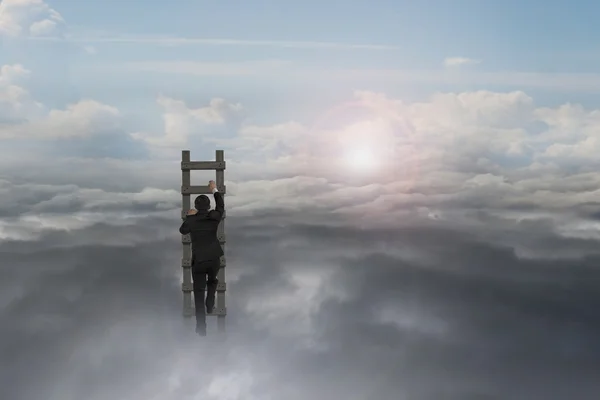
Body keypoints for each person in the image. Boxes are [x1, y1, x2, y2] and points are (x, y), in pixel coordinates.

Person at [179, 180, 224, 336]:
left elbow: (182, 230)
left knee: (198, 294)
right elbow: (220, 206)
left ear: (196, 207)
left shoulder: (192, 220)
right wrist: (214, 190)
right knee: (212, 281)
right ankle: (210, 303)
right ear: (208, 206)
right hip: (213, 258)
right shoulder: (214, 217)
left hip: (199, 261)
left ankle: (201, 327)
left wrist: (189, 217)